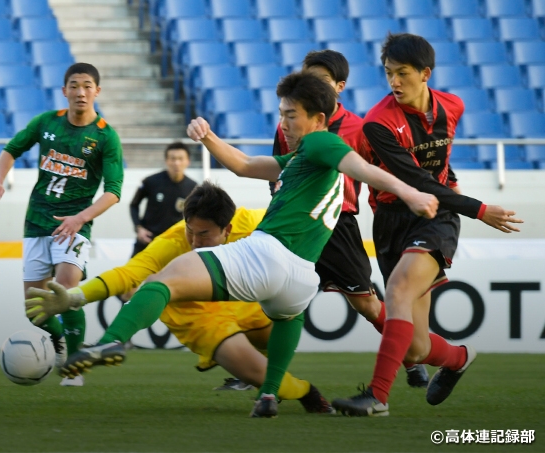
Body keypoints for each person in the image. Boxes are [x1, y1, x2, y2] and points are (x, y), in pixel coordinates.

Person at [26, 71, 438, 418]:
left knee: (163, 281)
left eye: (290, 116)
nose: (284, 124)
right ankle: (269, 393)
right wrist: (208, 137)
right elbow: (243, 166)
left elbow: (361, 168)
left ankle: (114, 339)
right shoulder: (300, 160)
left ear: (319, 117)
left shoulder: (320, 142)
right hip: (300, 278)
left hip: (270, 254)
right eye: (281, 115)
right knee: (285, 322)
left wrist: (411, 194)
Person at [331, 33, 523, 417]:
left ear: (425, 73)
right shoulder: (378, 123)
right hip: (391, 220)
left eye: (402, 73)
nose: (394, 82)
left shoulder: (454, 105)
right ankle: (458, 357)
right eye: (388, 74)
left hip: (436, 217)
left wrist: (457, 197)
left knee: (399, 290)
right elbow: (414, 181)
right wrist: (479, 209)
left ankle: (378, 397)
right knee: (416, 348)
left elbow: (438, 171)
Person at [26, 181, 333, 413]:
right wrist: (74, 297)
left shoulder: (256, 225)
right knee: (260, 375)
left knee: (277, 331)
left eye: (204, 235)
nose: (194, 241)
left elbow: (305, 230)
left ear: (228, 229)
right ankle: (305, 391)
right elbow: (127, 274)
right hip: (198, 315)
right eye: (190, 231)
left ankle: (267, 382)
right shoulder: (173, 241)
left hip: (245, 300)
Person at [273, 49, 429, 387]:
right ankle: (255, 374)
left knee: (368, 306)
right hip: (295, 225)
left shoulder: (361, 127)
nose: (314, 85)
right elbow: (278, 170)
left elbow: (378, 172)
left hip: (336, 223)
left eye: (323, 81)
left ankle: (410, 355)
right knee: (266, 293)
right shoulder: (288, 123)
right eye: (309, 78)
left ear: (340, 87)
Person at [0, 62, 124, 387]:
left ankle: (74, 366)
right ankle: (61, 342)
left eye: (87, 85)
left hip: (74, 224)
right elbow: (11, 150)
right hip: (37, 221)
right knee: (35, 310)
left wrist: (80, 218)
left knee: (65, 289)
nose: (80, 92)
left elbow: (113, 193)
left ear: (97, 92)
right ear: (65, 91)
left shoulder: (105, 136)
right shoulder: (46, 123)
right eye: (74, 85)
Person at [130, 142, 197, 256]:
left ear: (188, 161)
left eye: (181, 159)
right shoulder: (150, 181)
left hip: (175, 243)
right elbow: (134, 205)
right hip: (149, 241)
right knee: (131, 273)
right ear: (166, 161)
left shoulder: (193, 188)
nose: (176, 163)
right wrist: (139, 228)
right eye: (173, 159)